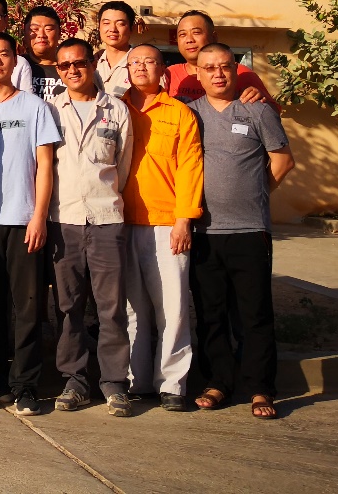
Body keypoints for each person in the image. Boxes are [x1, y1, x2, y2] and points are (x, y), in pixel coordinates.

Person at [189, 43, 295, 420]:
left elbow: (282, 160)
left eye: (225, 67)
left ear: (236, 71)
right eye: (209, 68)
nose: (218, 74)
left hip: (250, 230)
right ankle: (218, 381)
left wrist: (257, 194)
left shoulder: (257, 110)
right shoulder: (190, 113)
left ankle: (259, 388)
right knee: (211, 313)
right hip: (203, 233)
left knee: (254, 314)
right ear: (198, 74)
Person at [0, 32, 59, 416]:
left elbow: (45, 165)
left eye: (4, 54)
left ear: (14, 60)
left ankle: (25, 385)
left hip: (24, 221)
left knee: (28, 308)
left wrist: (39, 216)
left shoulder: (35, 107)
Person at [47, 37, 135, 417]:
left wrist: (106, 198)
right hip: (63, 220)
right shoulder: (50, 111)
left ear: (92, 64)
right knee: (68, 306)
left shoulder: (116, 110)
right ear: (57, 70)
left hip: (106, 220)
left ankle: (114, 384)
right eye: (64, 65)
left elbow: (123, 165)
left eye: (79, 63)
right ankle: (75, 381)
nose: (72, 70)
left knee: (110, 307)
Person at [120, 44, 203, 412]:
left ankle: (172, 383)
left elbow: (191, 168)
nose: (141, 67)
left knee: (172, 307)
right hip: (121, 222)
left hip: (167, 223)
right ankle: (135, 380)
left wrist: (184, 220)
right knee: (130, 309)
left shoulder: (180, 113)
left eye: (149, 61)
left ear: (162, 71)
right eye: (134, 62)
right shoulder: (115, 108)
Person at [168, 11, 277, 108]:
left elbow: (271, 114)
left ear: (214, 37)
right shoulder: (169, 74)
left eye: (196, 32)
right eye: (182, 34)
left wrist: (260, 100)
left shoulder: (241, 73)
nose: (189, 40)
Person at [24, 6, 67, 103]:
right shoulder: (16, 65)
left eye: (49, 29)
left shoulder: (70, 67)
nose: (41, 35)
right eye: (34, 29)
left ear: (59, 33)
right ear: (25, 34)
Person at [94, 1, 137, 98]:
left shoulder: (142, 66)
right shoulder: (91, 64)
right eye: (106, 23)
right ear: (99, 27)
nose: (112, 29)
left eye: (120, 24)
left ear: (132, 28)